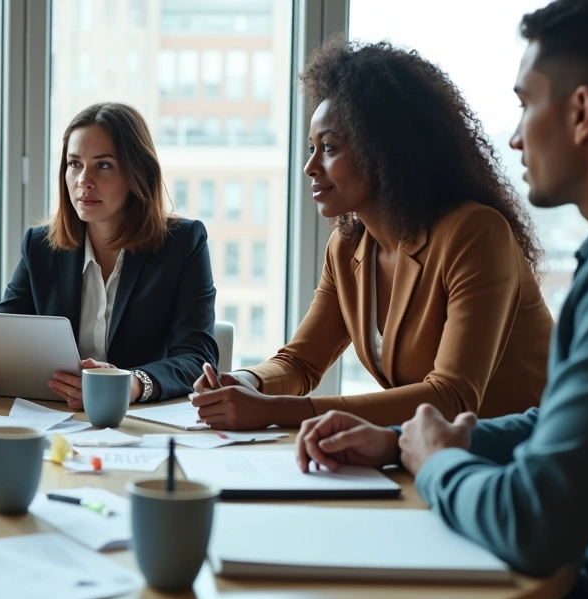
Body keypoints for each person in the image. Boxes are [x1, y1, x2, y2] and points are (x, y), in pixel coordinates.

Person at [297, 1, 588, 599]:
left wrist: (437, 462)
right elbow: (555, 424)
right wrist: (398, 444)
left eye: (525, 103)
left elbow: (533, 520)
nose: (515, 135)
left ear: (581, 113)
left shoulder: (507, 246)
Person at [192, 38, 553, 431]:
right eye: (312, 148)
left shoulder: (474, 233)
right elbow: (300, 362)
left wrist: (275, 411)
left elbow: (452, 397)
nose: (311, 166)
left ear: (383, 150)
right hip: (430, 454)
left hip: (526, 460)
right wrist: (246, 382)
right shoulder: (347, 248)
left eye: (328, 147)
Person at [0, 102, 218, 408]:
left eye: (103, 165)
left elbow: (197, 358)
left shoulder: (183, 243)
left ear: (137, 173)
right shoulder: (40, 246)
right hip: (56, 421)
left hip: (141, 423)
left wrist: (131, 383)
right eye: (74, 164)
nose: (83, 181)